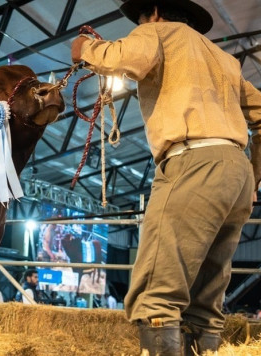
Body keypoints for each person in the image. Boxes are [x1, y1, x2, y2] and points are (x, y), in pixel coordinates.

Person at [72, 0, 261, 355]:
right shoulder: (225, 59)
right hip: (236, 171)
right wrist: (254, 176)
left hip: (192, 160)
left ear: (155, 12)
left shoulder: (156, 31)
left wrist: (86, 49)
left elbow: (129, 59)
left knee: (157, 288)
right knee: (206, 296)